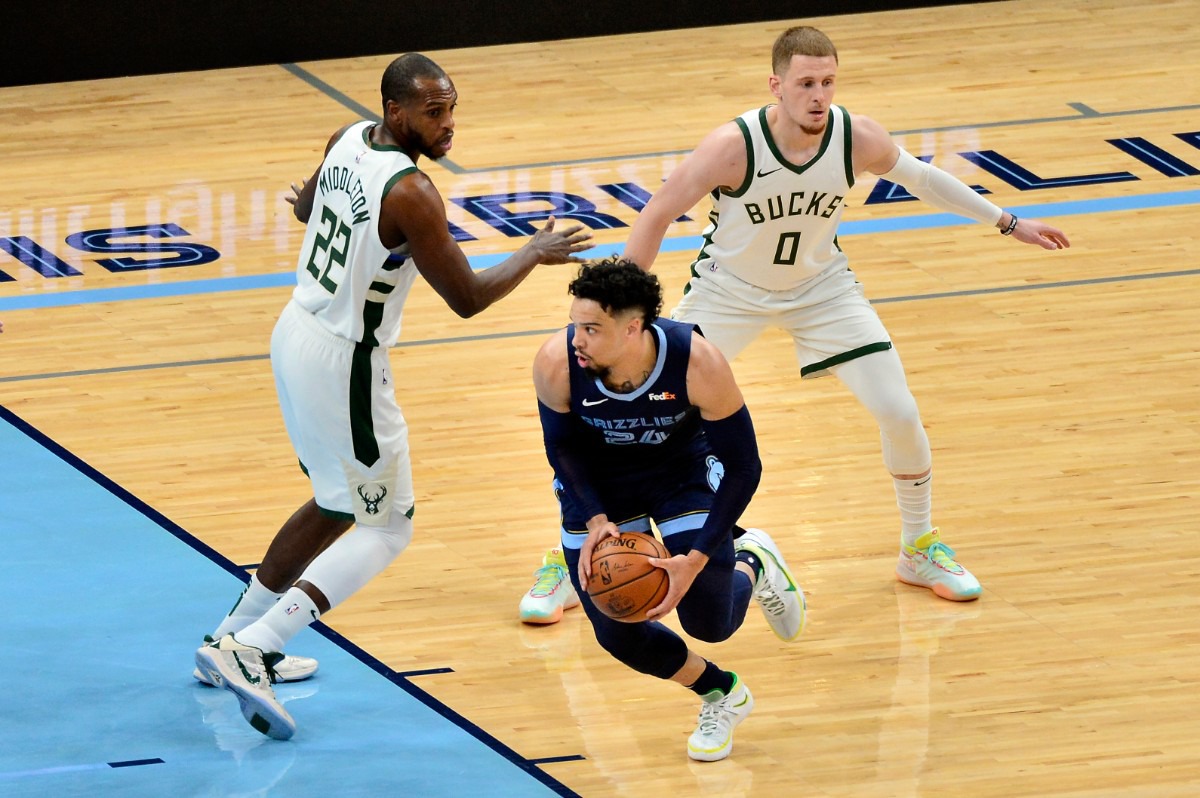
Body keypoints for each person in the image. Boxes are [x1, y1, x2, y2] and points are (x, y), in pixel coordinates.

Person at [193, 52, 593, 741]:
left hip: (295, 332)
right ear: (396, 112)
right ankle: (256, 647)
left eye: (452, 109)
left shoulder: (346, 138)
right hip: (345, 360)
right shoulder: (412, 193)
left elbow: (308, 205)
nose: (449, 125)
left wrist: (322, 219)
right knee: (387, 524)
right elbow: (466, 299)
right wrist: (533, 252)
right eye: (434, 112)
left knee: (333, 502)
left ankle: (228, 637)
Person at [616, 25, 1072, 602]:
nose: (818, 95)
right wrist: (621, 309)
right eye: (806, 83)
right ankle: (576, 547)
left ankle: (919, 548)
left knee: (899, 410)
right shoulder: (733, 146)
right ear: (776, 85)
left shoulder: (855, 137)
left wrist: (1008, 222)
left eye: (828, 82)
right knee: (636, 407)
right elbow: (656, 214)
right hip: (727, 291)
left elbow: (925, 179)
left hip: (822, 291)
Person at [534, 256, 805, 762]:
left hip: (679, 473)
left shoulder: (697, 362)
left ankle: (755, 561)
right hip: (601, 486)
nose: (577, 340)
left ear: (633, 328)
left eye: (591, 329)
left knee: (710, 624)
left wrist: (697, 559)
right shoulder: (556, 362)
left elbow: (744, 467)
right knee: (617, 627)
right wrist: (594, 518)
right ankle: (721, 693)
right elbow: (562, 448)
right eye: (575, 325)